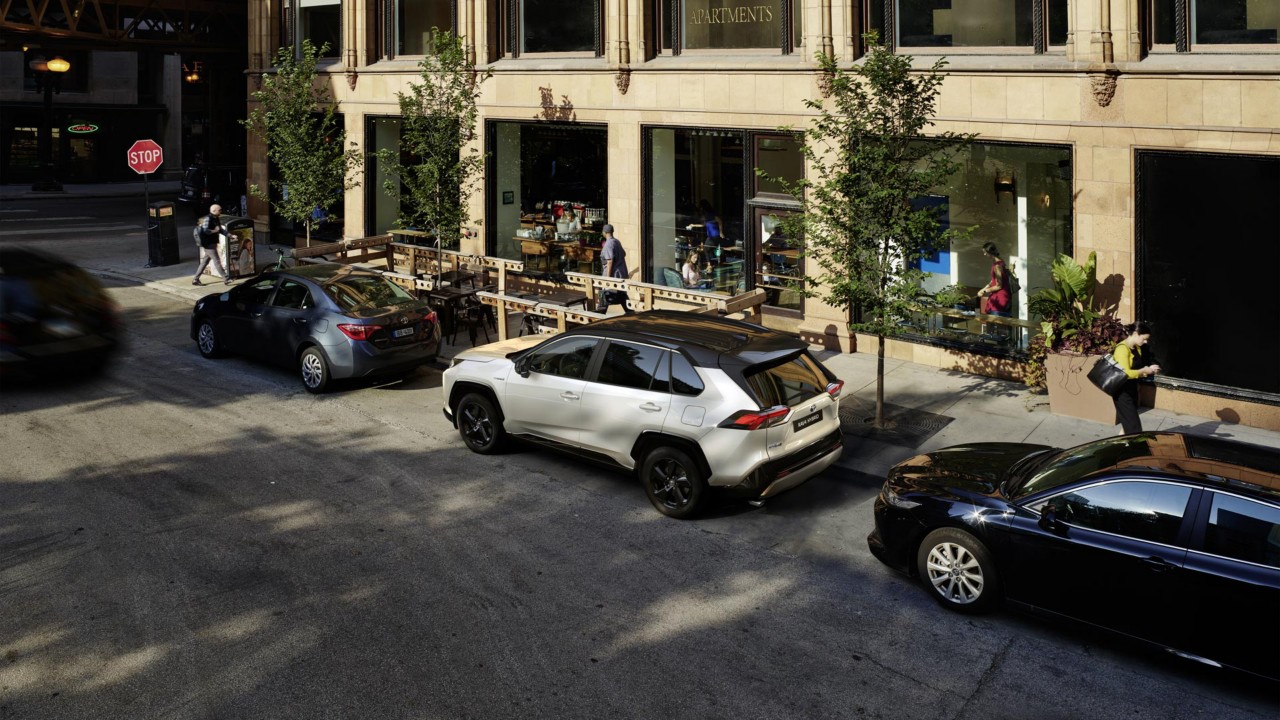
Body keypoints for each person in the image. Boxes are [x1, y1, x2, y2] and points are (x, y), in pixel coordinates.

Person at [1112, 321, 1161, 435]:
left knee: (1127, 424)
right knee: (1134, 428)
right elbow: (1125, 373)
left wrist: (1149, 369)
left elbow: (1137, 369)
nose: (1145, 342)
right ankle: (1134, 450)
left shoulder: (1136, 348)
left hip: (1132, 389)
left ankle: (1119, 447)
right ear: (1135, 334)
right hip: (1122, 393)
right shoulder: (1122, 349)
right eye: (1144, 338)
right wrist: (1144, 371)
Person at [595, 223, 632, 314]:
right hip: (620, 274)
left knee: (605, 295)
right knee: (621, 295)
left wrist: (607, 279)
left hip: (613, 275)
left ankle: (600, 315)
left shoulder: (608, 244)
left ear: (605, 232)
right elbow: (623, 254)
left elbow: (610, 261)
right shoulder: (616, 241)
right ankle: (630, 312)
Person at [192, 204, 231, 286]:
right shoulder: (208, 219)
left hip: (212, 243)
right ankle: (226, 279)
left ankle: (195, 279)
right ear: (214, 211)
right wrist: (215, 231)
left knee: (204, 262)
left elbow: (220, 230)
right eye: (219, 210)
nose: (221, 211)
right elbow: (205, 231)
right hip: (208, 244)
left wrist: (230, 236)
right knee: (217, 261)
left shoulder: (216, 218)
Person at [976, 242, 1011, 315]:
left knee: (995, 322)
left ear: (990, 252)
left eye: (985, 252)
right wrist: (984, 288)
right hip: (997, 295)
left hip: (1000, 297)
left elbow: (999, 285)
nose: (984, 254)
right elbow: (993, 280)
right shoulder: (1000, 262)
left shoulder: (997, 266)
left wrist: (985, 291)